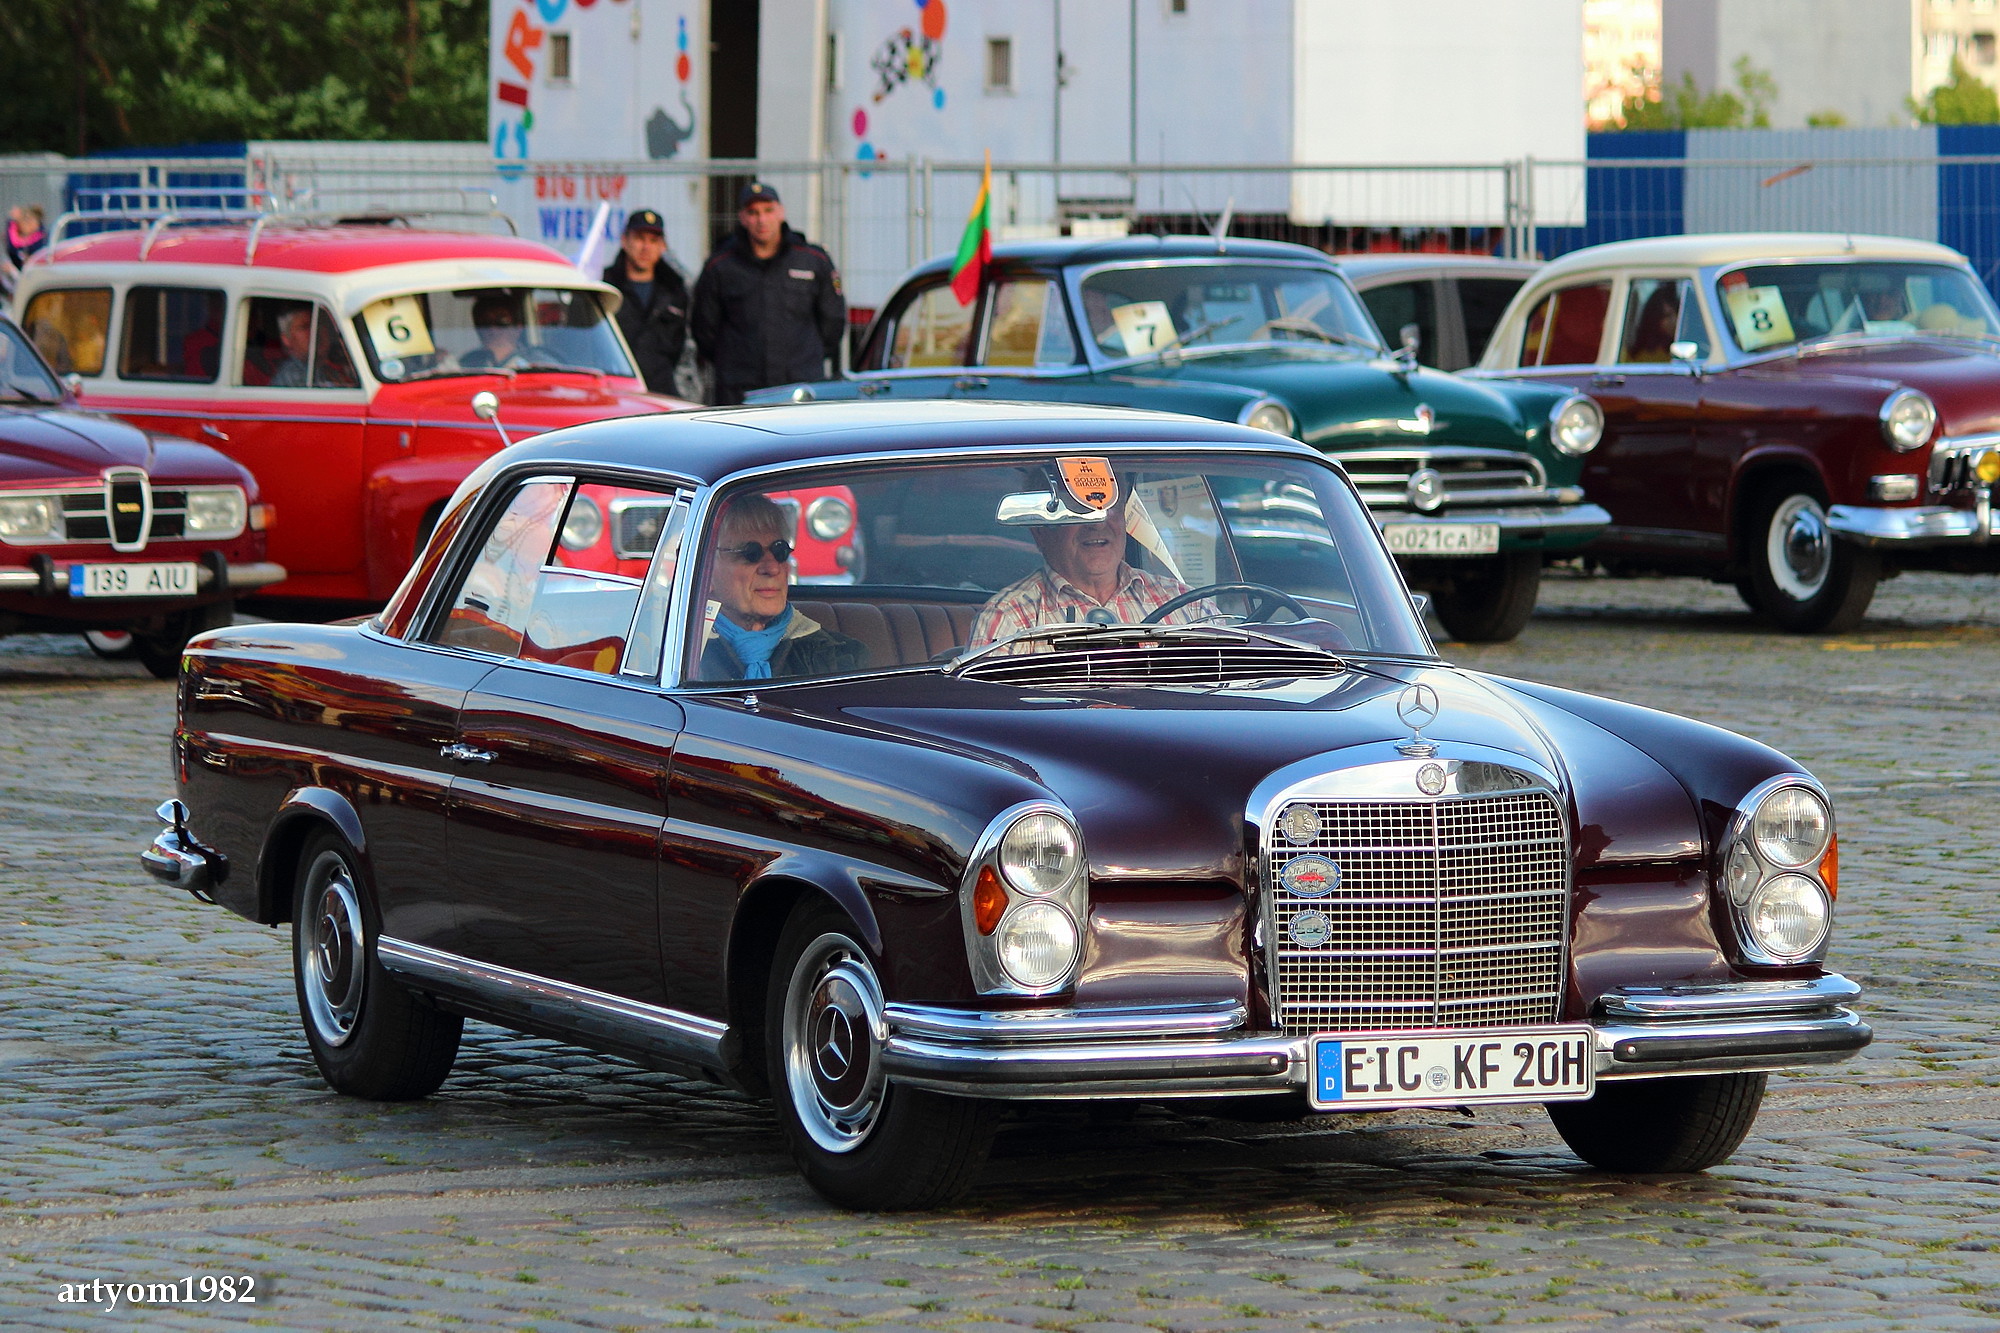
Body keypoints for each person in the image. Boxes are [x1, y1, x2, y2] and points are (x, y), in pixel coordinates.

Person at [969, 487, 1214, 648]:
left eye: (1110, 507)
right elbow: (995, 720)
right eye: (1078, 510)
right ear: (1040, 531)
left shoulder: (1191, 606)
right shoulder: (1009, 619)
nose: (1097, 524)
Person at [691, 182, 846, 405]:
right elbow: (704, 329)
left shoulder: (813, 260)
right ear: (742, 218)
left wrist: (806, 359)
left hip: (799, 389)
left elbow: (833, 322)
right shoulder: (721, 266)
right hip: (740, 391)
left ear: (781, 212)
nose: (761, 220)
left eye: (768, 210)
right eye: (753, 213)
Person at [696, 493, 867, 680]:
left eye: (780, 551)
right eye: (750, 553)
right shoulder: (679, 654)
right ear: (705, 571)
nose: (772, 567)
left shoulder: (840, 657)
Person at [600, 209, 689, 394]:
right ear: (625, 241)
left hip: (663, 392)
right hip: (617, 392)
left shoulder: (676, 290)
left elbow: (686, 346)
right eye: (640, 238)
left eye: (653, 241)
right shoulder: (605, 288)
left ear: (663, 246)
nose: (646, 247)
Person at [459, 293, 531, 369]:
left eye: (502, 322)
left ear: (518, 328)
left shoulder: (536, 362)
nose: (492, 329)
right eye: (485, 323)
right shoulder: (466, 363)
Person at [268, 307, 314, 387]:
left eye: (313, 326)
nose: (313, 332)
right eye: (304, 327)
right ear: (286, 339)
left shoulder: (317, 367)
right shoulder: (290, 375)